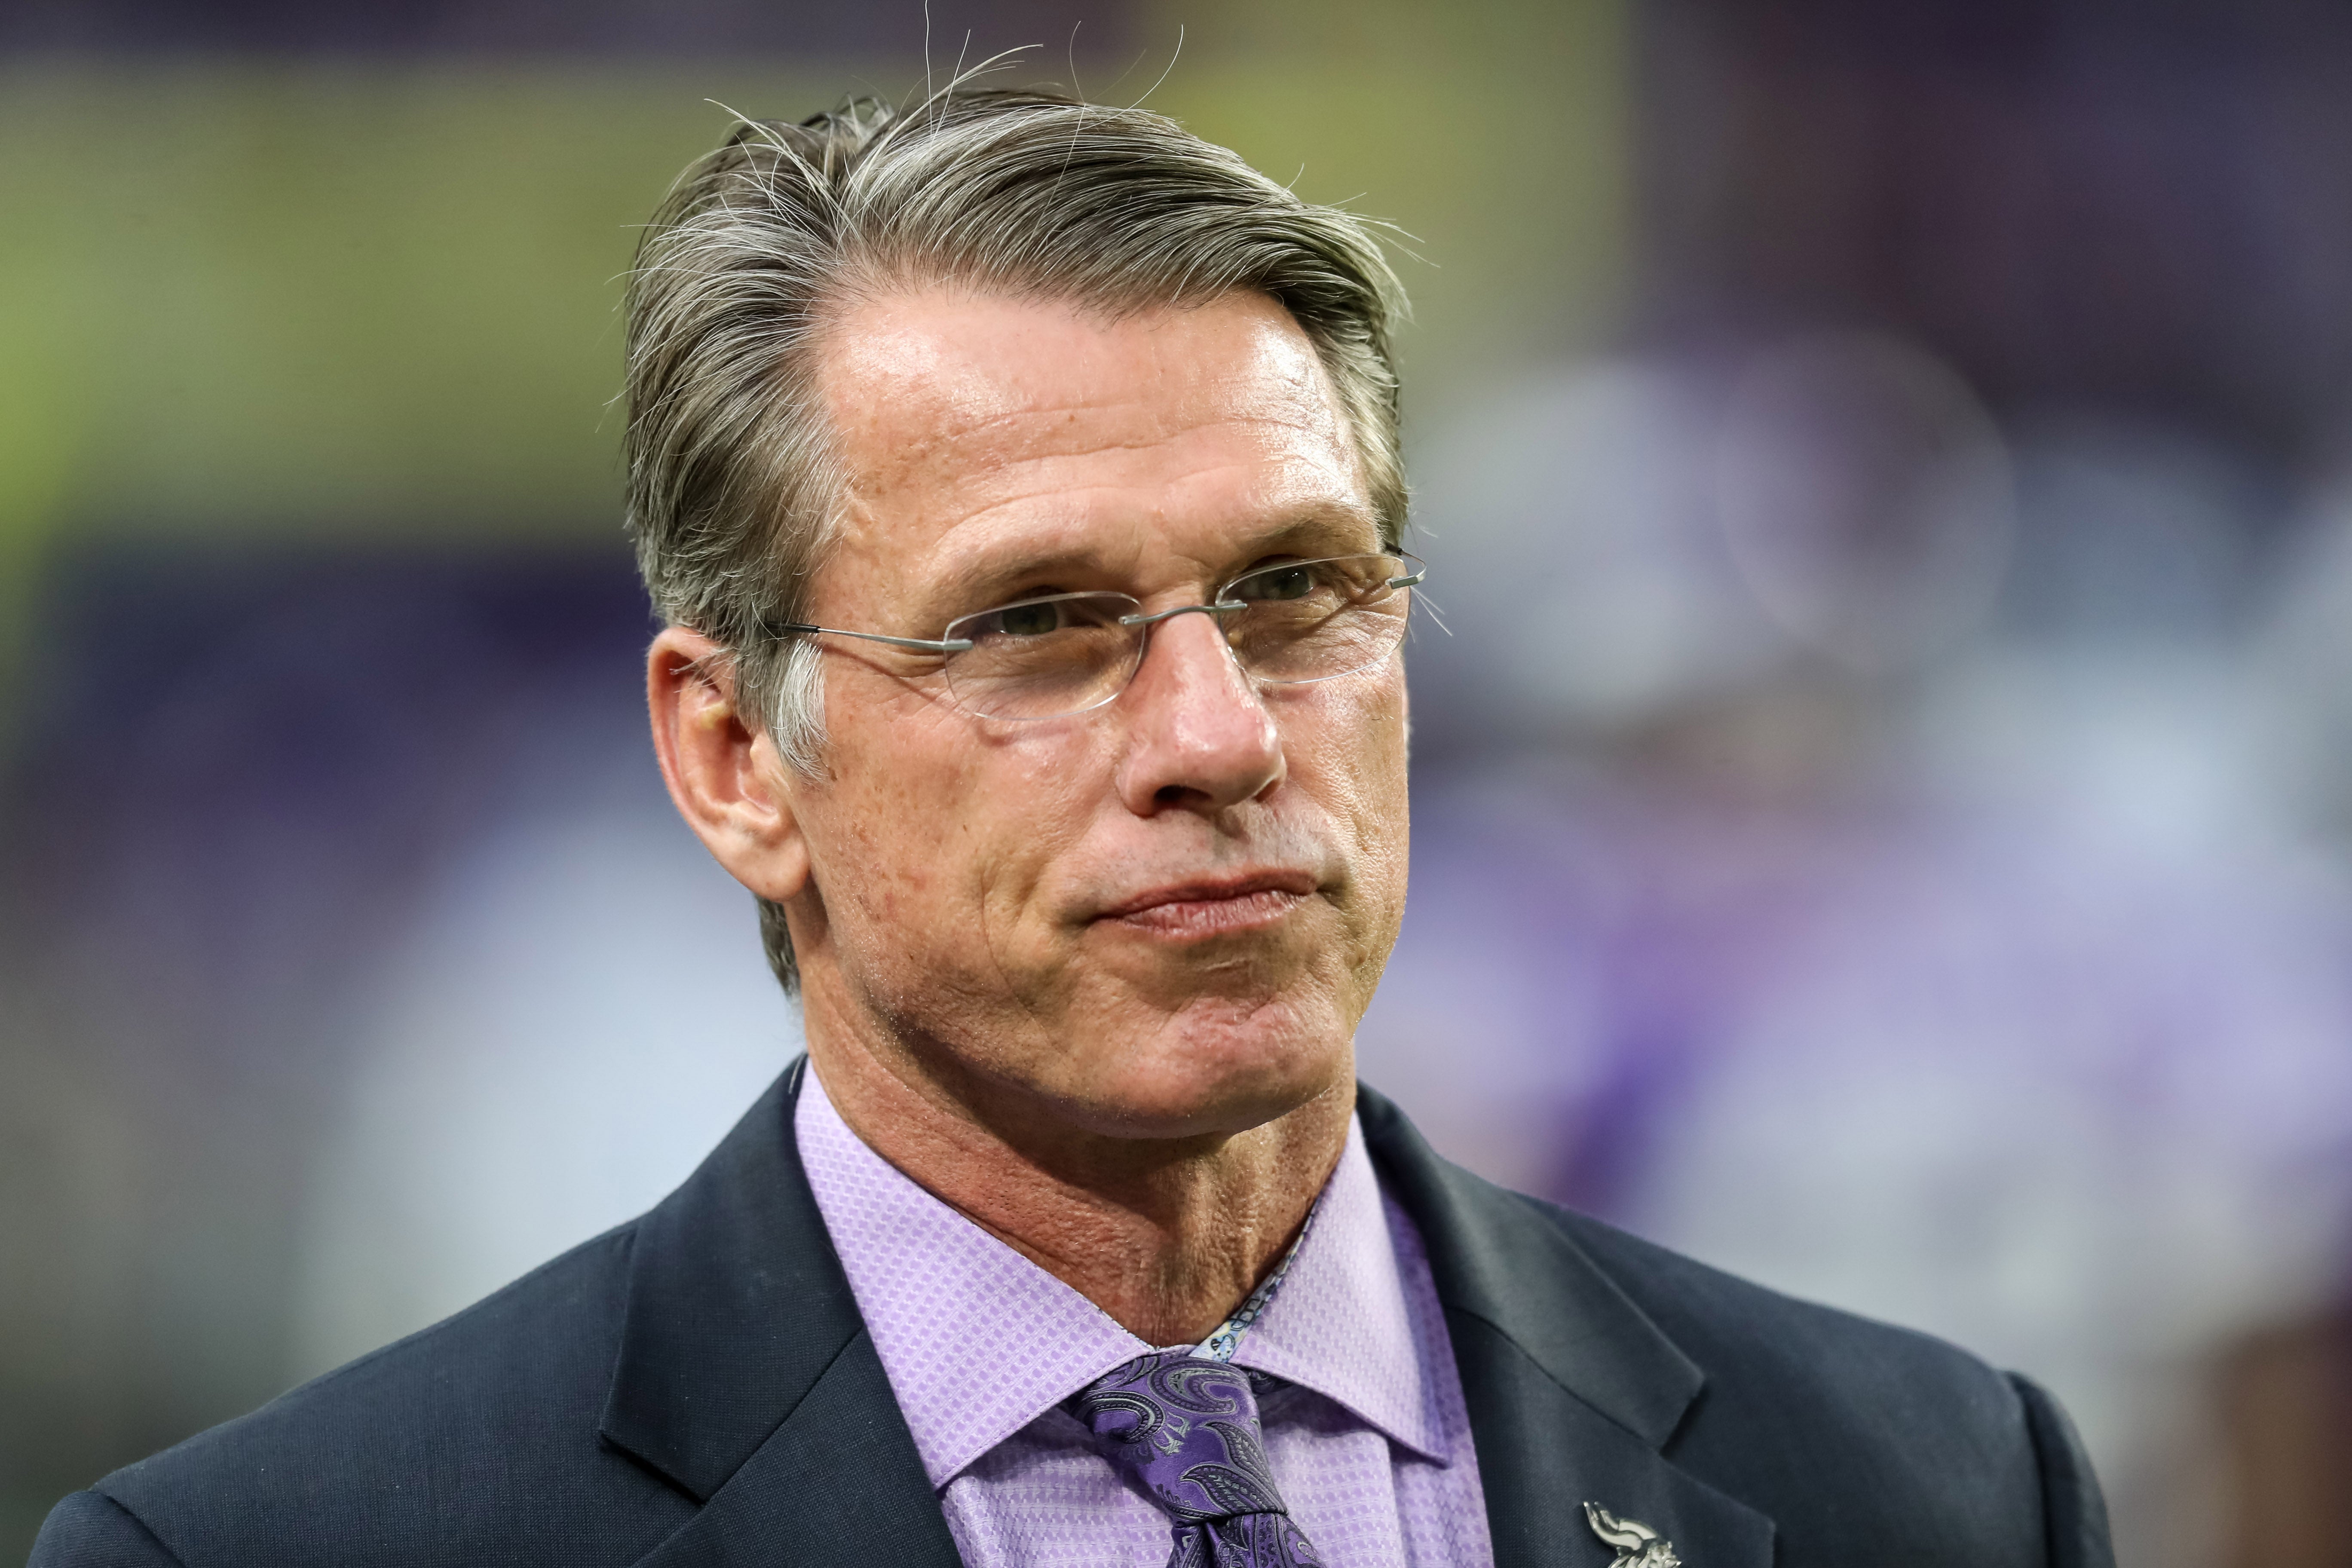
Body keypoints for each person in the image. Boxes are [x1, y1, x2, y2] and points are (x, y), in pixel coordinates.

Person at [31, 87, 2113, 1568]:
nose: (1219, 733)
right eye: (1037, 625)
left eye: (1298, 592)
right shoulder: (288, 1548)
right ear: (740, 756)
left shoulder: (1933, 1487)